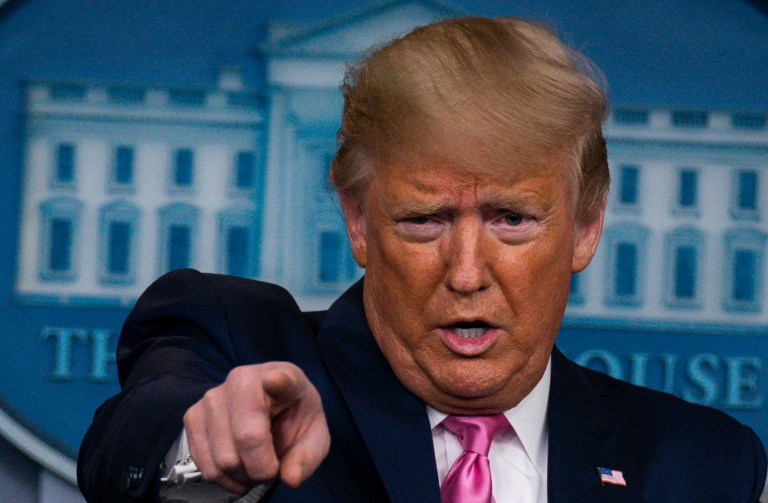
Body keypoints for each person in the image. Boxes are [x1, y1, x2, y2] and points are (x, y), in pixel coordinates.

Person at [77, 16, 767, 503]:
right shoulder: (239, 343)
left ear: (586, 226)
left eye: (511, 219)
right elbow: (140, 434)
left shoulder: (703, 464)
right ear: (359, 221)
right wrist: (205, 451)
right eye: (424, 220)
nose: (466, 273)